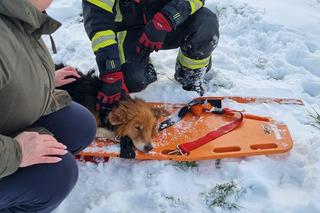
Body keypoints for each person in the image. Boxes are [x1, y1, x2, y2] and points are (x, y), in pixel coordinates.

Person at [0, 0, 97, 212]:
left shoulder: (17, 11)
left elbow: (11, 64)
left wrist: (41, 79)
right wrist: (17, 152)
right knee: (56, 175)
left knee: (79, 126)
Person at [82, 0, 220, 122]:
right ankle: (144, 71)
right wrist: (111, 73)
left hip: (167, 21)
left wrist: (165, 20)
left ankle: (191, 76)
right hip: (127, 31)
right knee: (133, 80)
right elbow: (99, 27)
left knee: (206, 23)